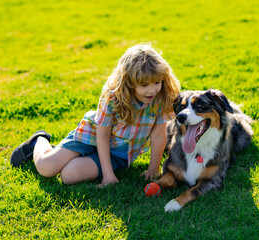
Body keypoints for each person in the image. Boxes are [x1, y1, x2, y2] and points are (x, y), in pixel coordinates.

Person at [10, 43, 181, 186]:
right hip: (91, 137)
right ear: (129, 82)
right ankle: (39, 141)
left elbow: (158, 135)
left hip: (119, 154)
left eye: (157, 82)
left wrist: (153, 169)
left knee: (68, 176)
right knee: (47, 168)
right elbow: (103, 133)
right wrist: (107, 175)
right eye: (144, 85)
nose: (152, 90)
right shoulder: (113, 96)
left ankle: (73, 157)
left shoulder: (160, 97)